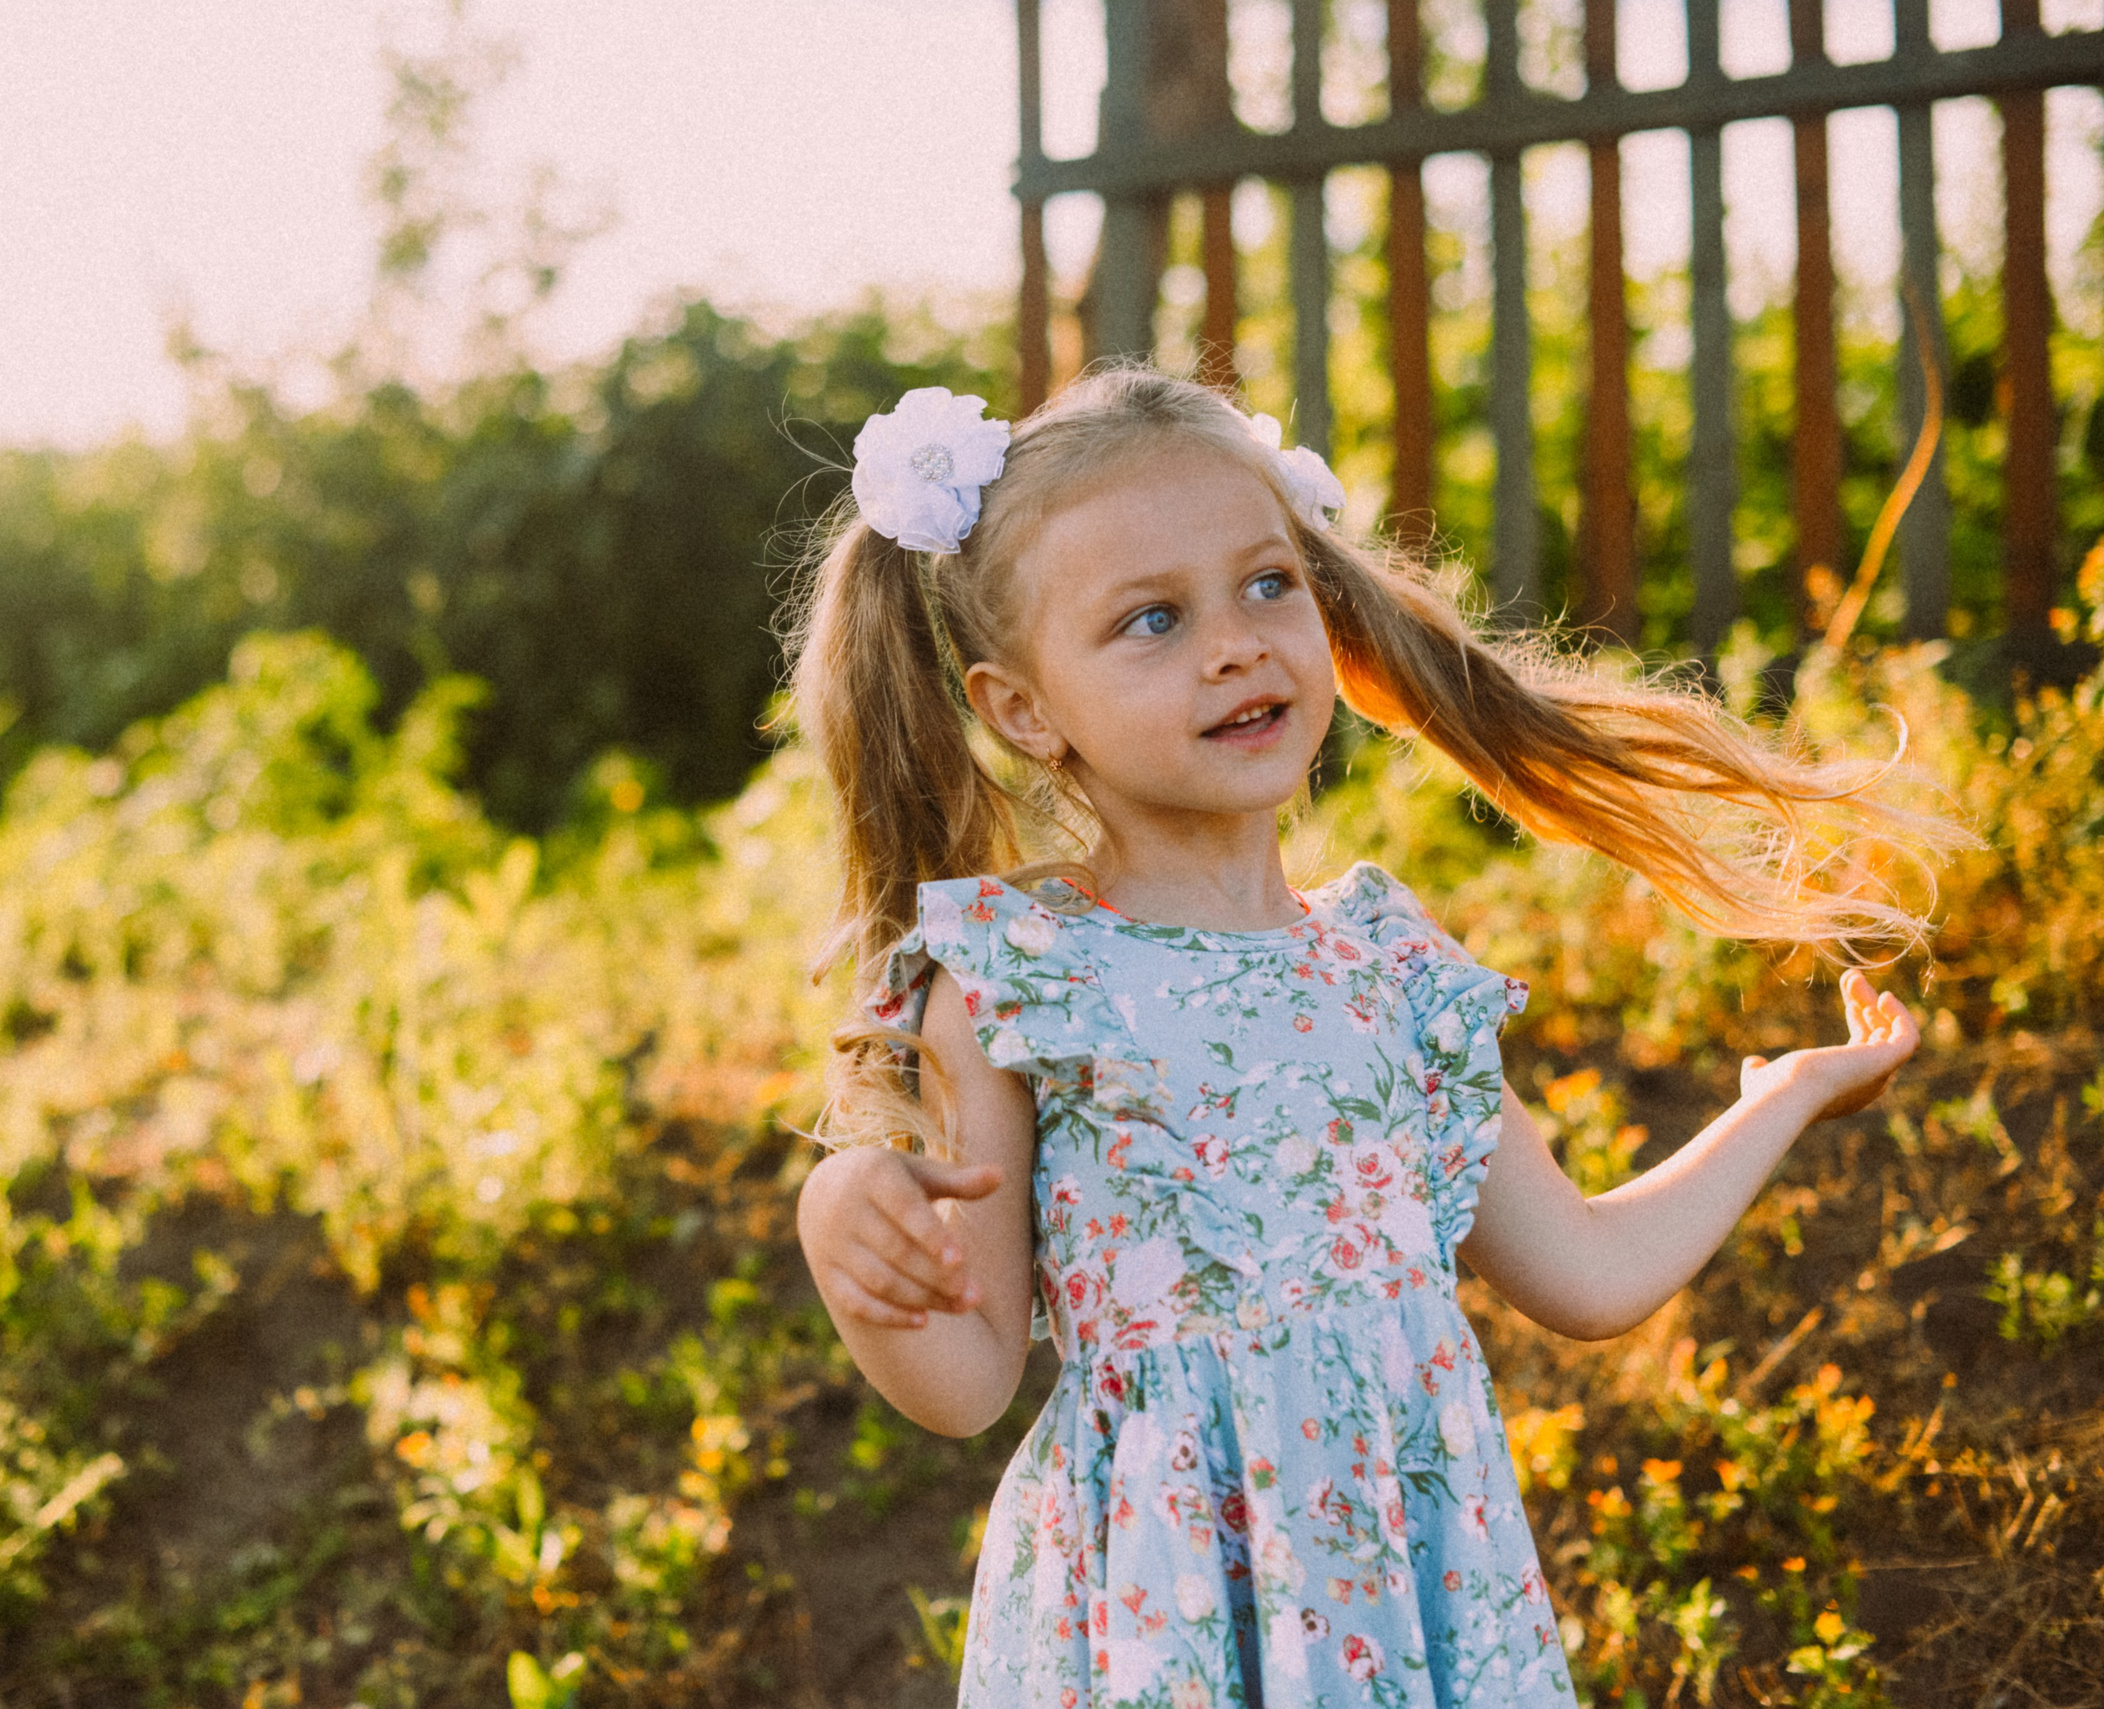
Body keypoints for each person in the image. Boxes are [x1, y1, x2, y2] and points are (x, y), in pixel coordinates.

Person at [786, 369, 1931, 1708]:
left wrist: (1783, 1098)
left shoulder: (1392, 968)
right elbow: (964, 1380)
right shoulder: (1018, 980)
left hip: (1409, 1613)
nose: (1235, 644)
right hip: (1168, 1626)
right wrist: (843, 1218)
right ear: (1025, 707)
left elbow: (1586, 1270)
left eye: (1268, 584)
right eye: (1152, 618)